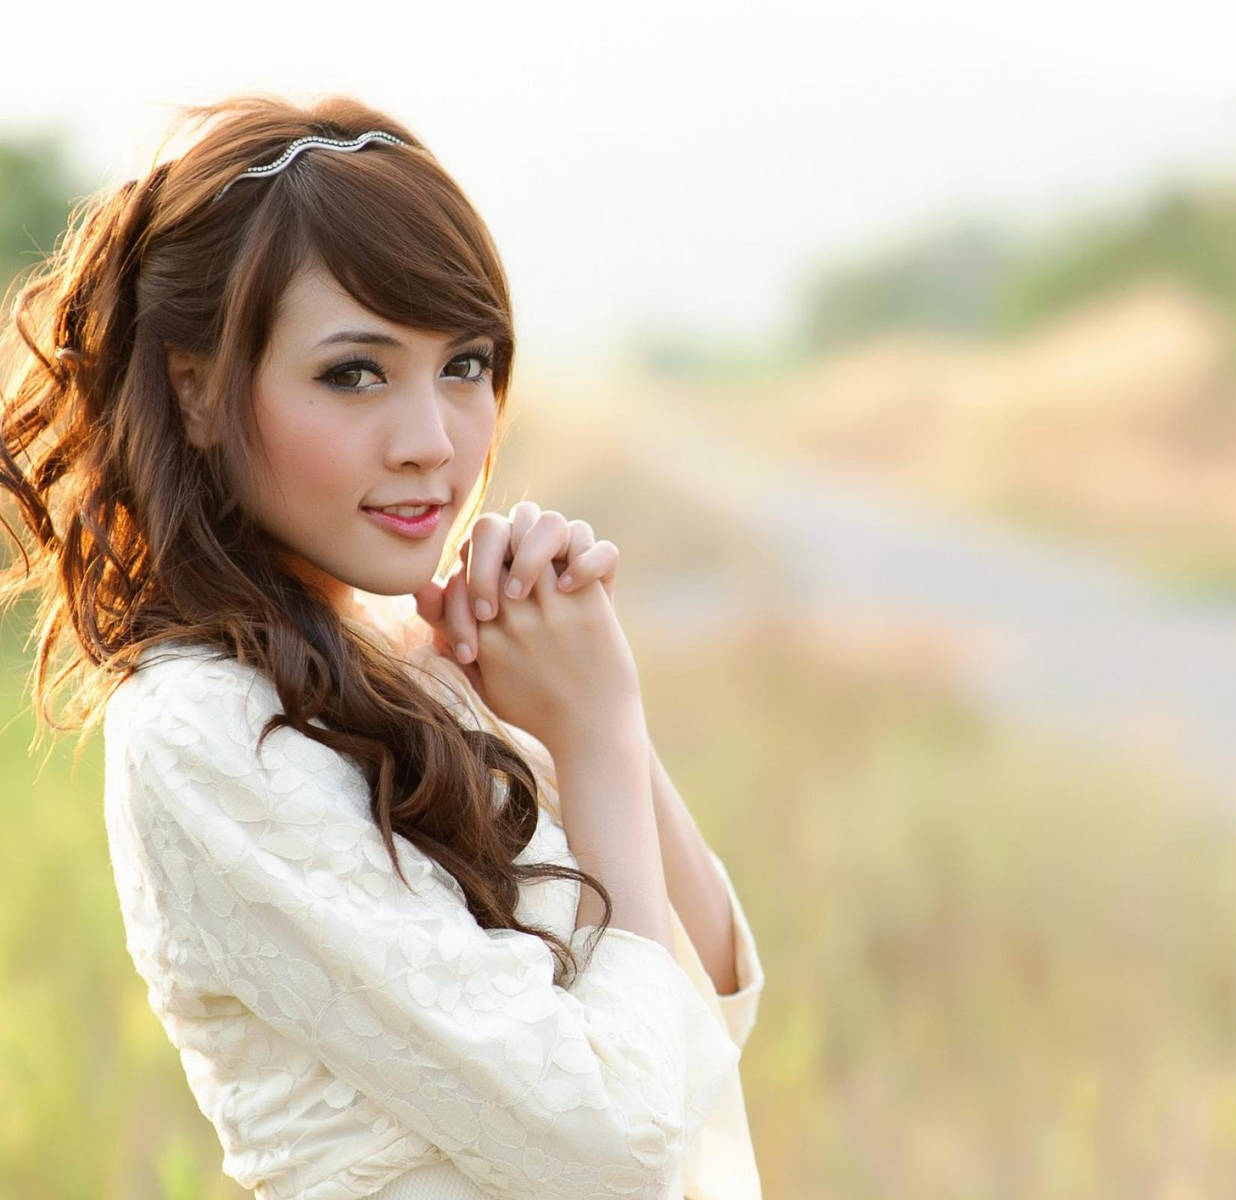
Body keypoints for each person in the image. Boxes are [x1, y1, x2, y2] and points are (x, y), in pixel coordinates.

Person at [0, 94, 765, 1199]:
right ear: (199, 392)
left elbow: (710, 1003)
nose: (432, 445)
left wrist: (602, 717)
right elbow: (613, 1147)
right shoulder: (203, 723)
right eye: (354, 373)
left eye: (464, 365)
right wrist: (591, 745)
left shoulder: (406, 657)